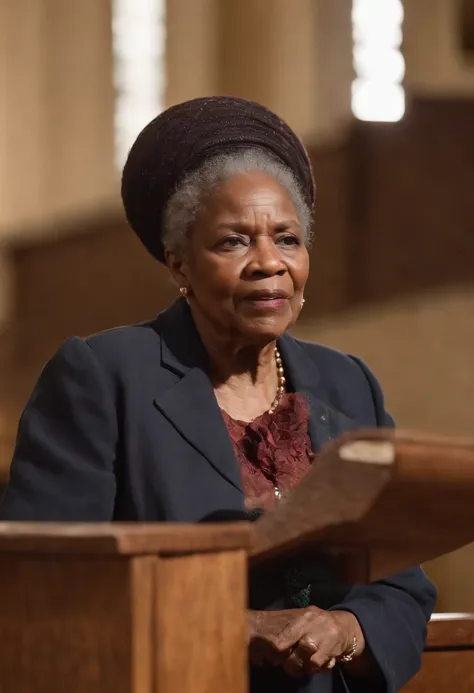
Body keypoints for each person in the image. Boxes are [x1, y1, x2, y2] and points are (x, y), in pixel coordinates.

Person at [0, 96, 436, 692]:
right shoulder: (103, 376)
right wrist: (239, 626)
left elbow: (402, 584)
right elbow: (44, 582)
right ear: (179, 264)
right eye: (233, 242)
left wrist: (346, 628)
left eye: (287, 238)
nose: (268, 263)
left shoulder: (347, 383)